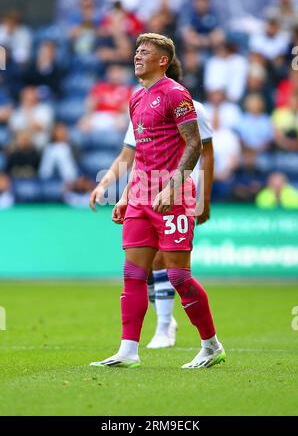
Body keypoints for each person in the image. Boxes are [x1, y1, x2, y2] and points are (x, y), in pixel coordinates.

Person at [90, 33, 225, 369]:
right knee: (133, 274)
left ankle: (211, 345)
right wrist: (124, 196)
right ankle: (128, 350)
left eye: (145, 52)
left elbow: (194, 145)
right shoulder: (136, 99)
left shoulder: (177, 95)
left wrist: (173, 186)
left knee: (179, 277)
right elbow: (139, 156)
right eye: (136, 50)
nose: (137, 55)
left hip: (173, 197)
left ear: (163, 60)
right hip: (140, 197)